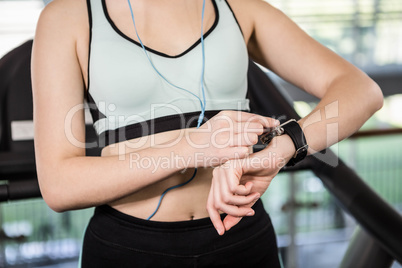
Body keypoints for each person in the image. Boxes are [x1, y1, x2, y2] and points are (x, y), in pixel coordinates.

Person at [31, 0, 383, 266]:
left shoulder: (238, 7)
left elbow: (361, 91)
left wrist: (283, 148)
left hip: (242, 236)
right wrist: (190, 148)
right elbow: (59, 185)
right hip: (129, 246)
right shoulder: (67, 17)